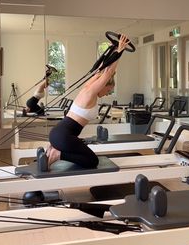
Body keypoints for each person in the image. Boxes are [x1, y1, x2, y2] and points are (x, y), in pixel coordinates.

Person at [46, 34, 130, 169]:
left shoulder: (87, 89)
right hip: (64, 137)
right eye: (108, 90)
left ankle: (52, 151)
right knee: (92, 161)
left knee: (85, 154)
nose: (107, 93)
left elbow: (101, 70)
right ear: (103, 85)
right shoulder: (90, 93)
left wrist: (111, 51)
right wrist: (120, 50)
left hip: (58, 134)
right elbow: (107, 73)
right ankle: (58, 154)